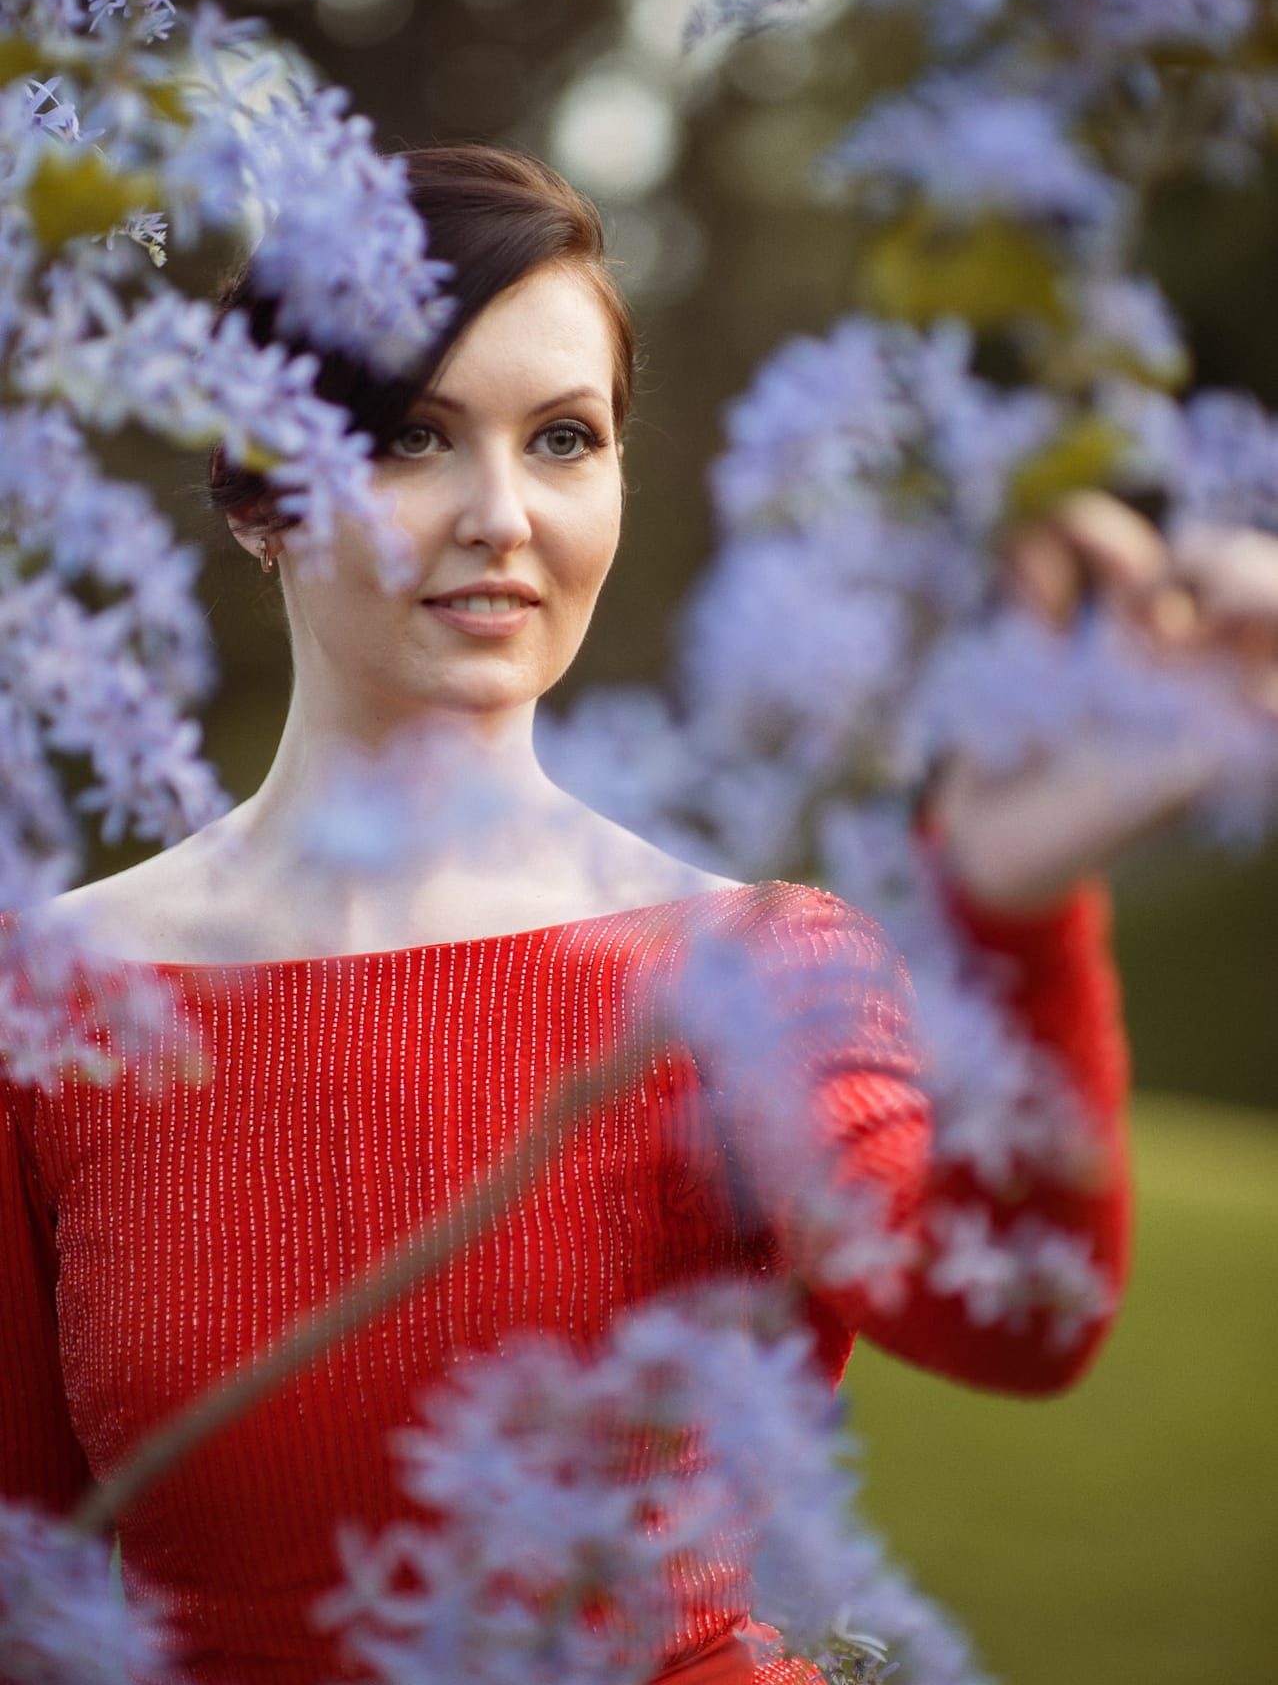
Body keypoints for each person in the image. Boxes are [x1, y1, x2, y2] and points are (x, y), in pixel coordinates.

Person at [0, 146, 1132, 1685]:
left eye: (560, 439)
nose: (502, 516)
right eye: (411, 436)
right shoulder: (54, 1005)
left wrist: (1014, 906)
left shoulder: (755, 969)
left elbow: (1010, 1316)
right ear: (260, 493)